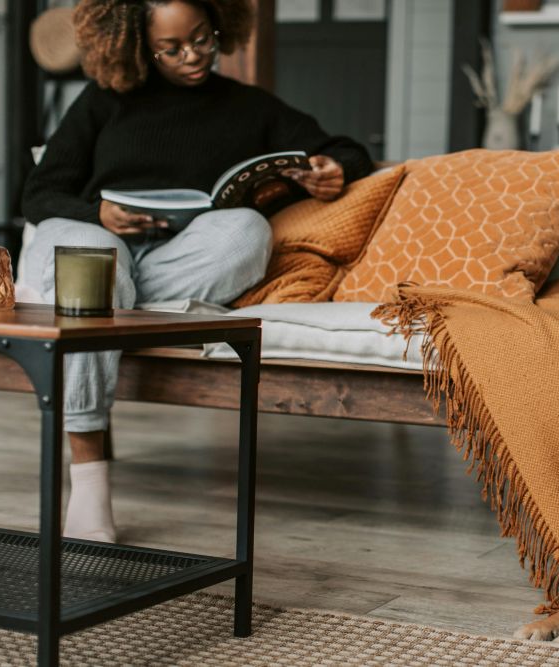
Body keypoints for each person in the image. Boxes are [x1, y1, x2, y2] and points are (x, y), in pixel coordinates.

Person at [21, 0, 373, 543]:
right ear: (138, 44)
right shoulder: (104, 100)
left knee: (246, 231)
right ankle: (89, 480)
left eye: (203, 39)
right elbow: (40, 194)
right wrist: (99, 213)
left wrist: (334, 169)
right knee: (96, 262)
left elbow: (343, 148)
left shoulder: (247, 106)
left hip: (172, 260)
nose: (194, 56)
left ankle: (116, 303)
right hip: (88, 238)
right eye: (173, 48)